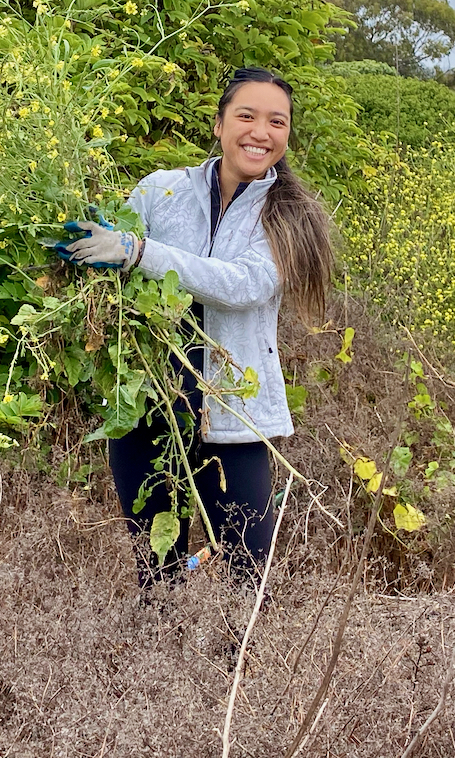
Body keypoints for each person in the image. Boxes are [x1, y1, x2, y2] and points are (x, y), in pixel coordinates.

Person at [62, 66, 334, 587]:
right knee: (155, 567)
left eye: (277, 122)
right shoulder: (161, 191)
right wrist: (80, 238)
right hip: (150, 404)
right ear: (218, 124)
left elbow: (240, 285)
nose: (261, 132)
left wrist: (138, 252)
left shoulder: (290, 216)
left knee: (245, 568)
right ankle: (161, 663)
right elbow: (116, 237)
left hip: (231, 412)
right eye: (246, 116)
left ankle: (238, 666)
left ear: (287, 135)